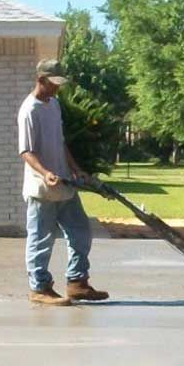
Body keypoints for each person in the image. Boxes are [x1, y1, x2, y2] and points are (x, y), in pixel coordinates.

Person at [19, 59, 109, 306]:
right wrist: (45, 172)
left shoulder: (54, 105)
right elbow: (26, 151)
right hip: (42, 189)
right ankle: (39, 288)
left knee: (81, 231)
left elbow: (60, 142)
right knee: (41, 239)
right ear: (41, 80)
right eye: (53, 84)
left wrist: (75, 169)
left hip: (65, 185)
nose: (57, 89)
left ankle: (77, 282)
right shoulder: (29, 110)